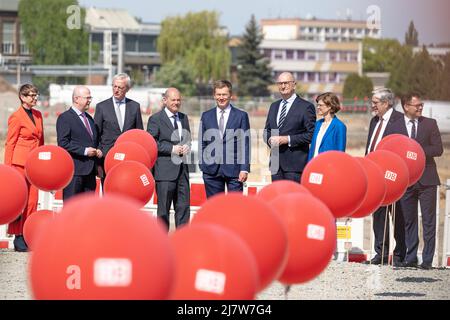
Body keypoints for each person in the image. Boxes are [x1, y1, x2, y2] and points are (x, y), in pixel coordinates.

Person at [397, 93, 443, 269]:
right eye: (417, 105)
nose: (420, 108)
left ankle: (427, 260)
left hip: (427, 180)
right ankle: (411, 257)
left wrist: (416, 151)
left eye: (421, 105)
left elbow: (438, 149)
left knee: (428, 221)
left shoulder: (430, 124)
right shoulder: (396, 126)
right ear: (406, 106)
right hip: (406, 181)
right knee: (409, 221)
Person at [365, 87, 406, 266]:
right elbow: (370, 147)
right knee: (379, 217)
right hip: (375, 176)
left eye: (375, 103)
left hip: (392, 177)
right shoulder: (375, 121)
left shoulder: (400, 121)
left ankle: (399, 255)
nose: (372, 105)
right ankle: (380, 253)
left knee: (397, 217)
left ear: (386, 103)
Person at [4, 84, 44, 252]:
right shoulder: (16, 117)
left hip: (34, 165)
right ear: (22, 97)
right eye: (31, 95)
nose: (35, 98)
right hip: (18, 165)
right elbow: (10, 143)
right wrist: (8, 171)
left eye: (36, 95)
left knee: (33, 201)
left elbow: (40, 142)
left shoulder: (39, 115)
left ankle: (28, 233)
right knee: (21, 201)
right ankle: (18, 236)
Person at [147, 88, 191, 230]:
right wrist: (172, 149)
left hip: (182, 172)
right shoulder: (155, 119)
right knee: (163, 212)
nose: (176, 103)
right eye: (173, 100)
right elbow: (151, 143)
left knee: (183, 209)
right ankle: (161, 245)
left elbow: (187, 139)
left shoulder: (184, 118)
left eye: (178, 100)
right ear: (165, 100)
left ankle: (183, 243)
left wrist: (187, 147)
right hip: (164, 172)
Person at [199, 80, 250, 198]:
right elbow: (202, 143)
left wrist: (244, 169)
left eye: (224, 94)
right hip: (211, 171)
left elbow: (245, 144)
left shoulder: (241, 116)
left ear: (230, 95)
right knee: (214, 209)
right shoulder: (206, 116)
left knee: (235, 208)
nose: (221, 98)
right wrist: (203, 164)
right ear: (214, 95)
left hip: (235, 171)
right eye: (218, 94)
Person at [264, 72, 316, 182]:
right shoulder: (274, 106)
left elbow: (311, 135)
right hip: (275, 165)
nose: (283, 86)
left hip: (295, 167)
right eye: (280, 83)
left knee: (292, 198)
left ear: (294, 85)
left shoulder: (306, 107)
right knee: (277, 198)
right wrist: (269, 139)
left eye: (286, 83)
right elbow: (267, 131)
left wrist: (287, 139)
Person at [94, 73, 143, 185]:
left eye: (120, 87)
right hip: (107, 159)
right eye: (114, 86)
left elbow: (139, 134)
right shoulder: (102, 107)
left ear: (127, 89)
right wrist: (98, 163)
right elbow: (96, 134)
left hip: (129, 159)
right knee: (109, 194)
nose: (116, 90)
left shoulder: (134, 107)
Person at [56, 86, 102, 200]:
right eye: (87, 98)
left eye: (90, 98)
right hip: (74, 172)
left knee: (87, 210)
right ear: (76, 99)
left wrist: (98, 154)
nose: (90, 100)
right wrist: (85, 151)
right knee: (71, 208)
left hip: (90, 173)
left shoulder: (90, 119)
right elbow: (63, 143)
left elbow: (94, 141)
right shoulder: (65, 118)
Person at [308, 92, 347, 161]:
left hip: (328, 167)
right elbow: (312, 149)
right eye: (317, 105)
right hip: (314, 165)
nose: (318, 107)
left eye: (320, 105)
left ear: (330, 106)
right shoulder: (317, 124)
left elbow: (340, 153)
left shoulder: (339, 126)